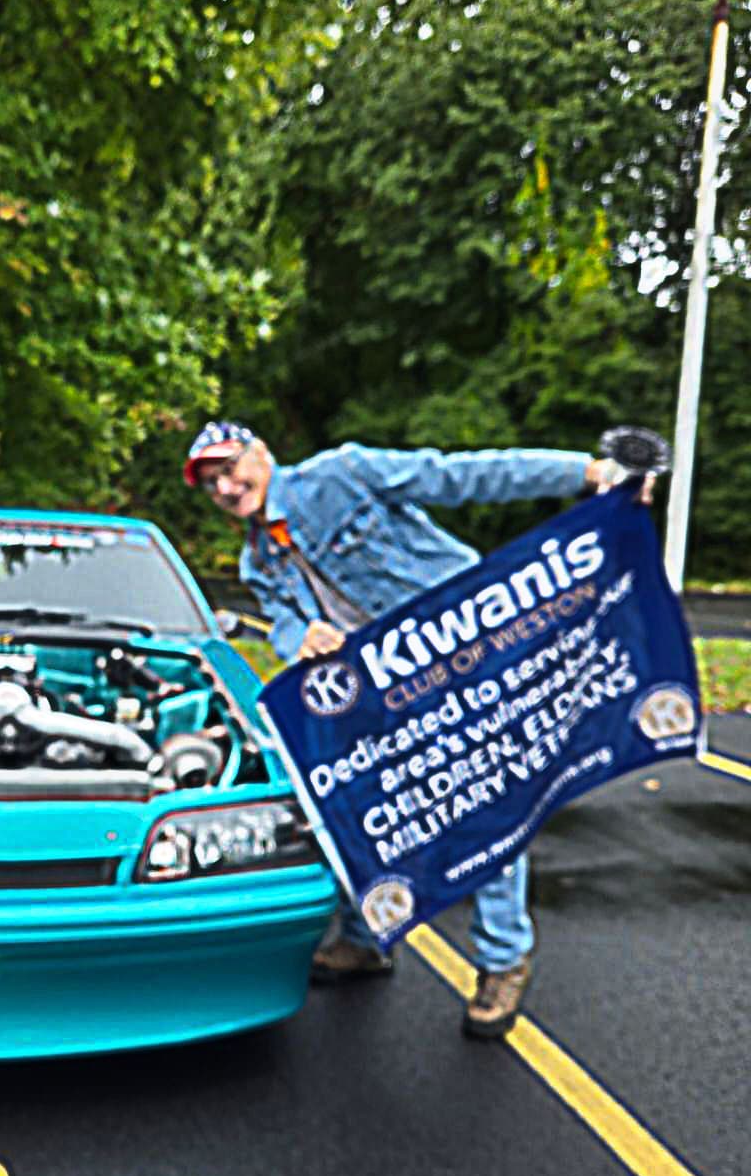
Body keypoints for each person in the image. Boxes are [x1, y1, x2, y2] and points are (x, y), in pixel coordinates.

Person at [184, 420, 650, 1038]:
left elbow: (460, 476)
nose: (223, 485)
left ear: (262, 453)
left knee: (482, 798)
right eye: (210, 481)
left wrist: (587, 473)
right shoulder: (258, 559)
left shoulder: (341, 475)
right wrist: (301, 637)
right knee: (364, 804)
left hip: (465, 651)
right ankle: (365, 941)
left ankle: (502, 959)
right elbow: (282, 622)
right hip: (375, 688)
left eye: (229, 467)